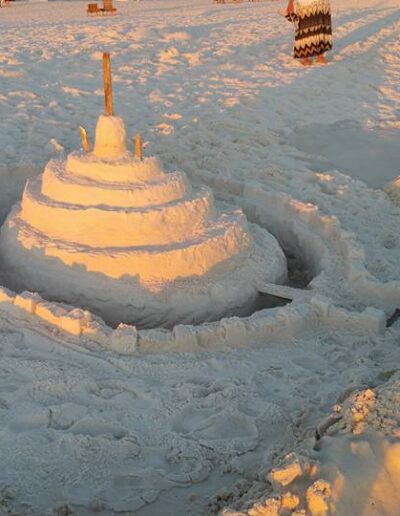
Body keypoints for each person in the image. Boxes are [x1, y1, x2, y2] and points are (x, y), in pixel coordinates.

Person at [285, 0, 333, 66]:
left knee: (304, 27)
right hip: (322, 3)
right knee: (320, 27)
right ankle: (320, 57)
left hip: (306, 4)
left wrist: (290, 3)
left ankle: (306, 59)